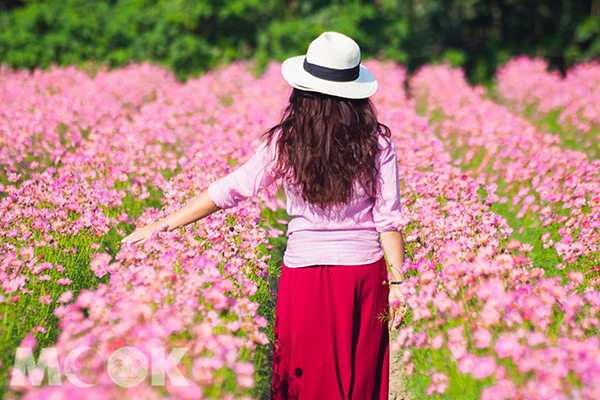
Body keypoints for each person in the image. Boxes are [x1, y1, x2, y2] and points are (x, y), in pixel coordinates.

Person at [122, 31, 407, 400]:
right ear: (357, 93)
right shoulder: (377, 142)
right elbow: (388, 220)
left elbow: (229, 190)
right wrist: (398, 284)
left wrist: (163, 224)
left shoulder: (287, 142)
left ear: (303, 92)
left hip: (304, 278)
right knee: (359, 381)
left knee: (306, 381)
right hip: (362, 278)